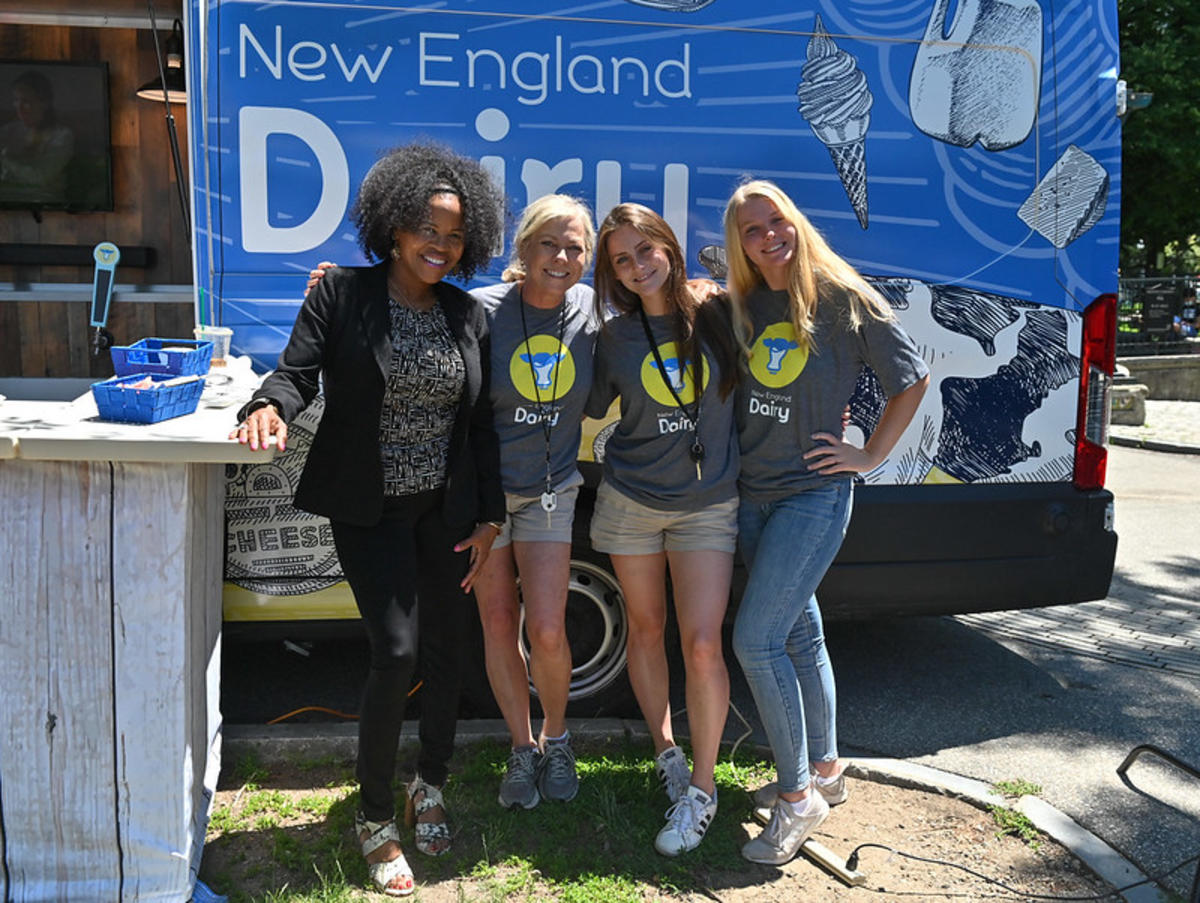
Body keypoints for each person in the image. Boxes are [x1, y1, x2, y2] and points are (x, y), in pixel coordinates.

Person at [230, 143, 505, 897]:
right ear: (391, 226)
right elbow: (295, 370)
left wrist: (489, 521)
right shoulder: (341, 294)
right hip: (368, 509)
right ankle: (376, 816)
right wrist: (267, 407)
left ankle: (432, 783)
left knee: (451, 651)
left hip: (444, 510)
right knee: (397, 651)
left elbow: (480, 425)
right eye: (426, 227)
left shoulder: (466, 314)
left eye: (453, 234)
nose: (439, 245)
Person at [722, 179, 929, 865]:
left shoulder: (840, 294)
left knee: (757, 639)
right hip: (753, 496)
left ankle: (795, 797)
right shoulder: (744, 301)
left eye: (775, 221)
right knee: (801, 633)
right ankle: (829, 771)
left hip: (813, 492)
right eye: (751, 230)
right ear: (740, 243)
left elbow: (911, 377)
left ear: (795, 222)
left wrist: (869, 452)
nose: (768, 237)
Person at [585, 202, 742, 855]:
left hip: (708, 502)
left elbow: (797, 334)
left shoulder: (719, 313)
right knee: (646, 630)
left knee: (702, 643)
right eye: (622, 259)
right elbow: (584, 402)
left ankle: (701, 791)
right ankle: (666, 749)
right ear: (612, 272)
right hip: (631, 498)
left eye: (646, 250)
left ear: (670, 249)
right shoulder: (614, 338)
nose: (637, 265)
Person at [468, 195, 600, 808]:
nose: (562, 257)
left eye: (575, 247)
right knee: (498, 625)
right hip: (486, 498)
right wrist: (339, 286)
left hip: (552, 492)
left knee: (547, 628)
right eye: (550, 243)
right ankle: (521, 749)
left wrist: (707, 290)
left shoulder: (594, 313)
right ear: (522, 249)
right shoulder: (480, 311)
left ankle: (557, 737)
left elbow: (665, 309)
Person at [0, 70, 75, 205]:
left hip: (45, 203)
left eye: (26, 101)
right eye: (16, 100)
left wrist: (5, 160)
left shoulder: (62, 136)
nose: (19, 108)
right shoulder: (10, 130)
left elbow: (41, 177)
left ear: (44, 103)